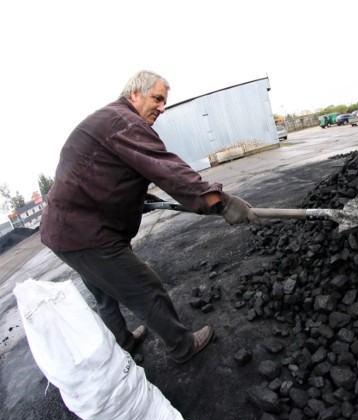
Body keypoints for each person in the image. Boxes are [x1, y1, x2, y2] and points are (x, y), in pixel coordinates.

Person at [40, 70, 259, 364]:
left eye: (164, 102)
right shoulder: (125, 123)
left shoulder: (107, 120)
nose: (161, 107)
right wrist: (219, 202)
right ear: (135, 94)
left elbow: (99, 175)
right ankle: (181, 346)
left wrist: (139, 198)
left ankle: (124, 342)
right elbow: (166, 168)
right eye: (157, 98)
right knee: (144, 288)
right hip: (89, 234)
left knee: (104, 294)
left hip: (64, 231)